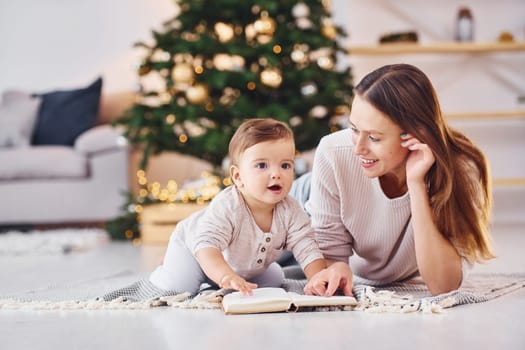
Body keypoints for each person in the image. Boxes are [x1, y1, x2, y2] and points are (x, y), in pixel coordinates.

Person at [303, 63, 495, 297]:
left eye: (374, 137)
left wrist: (417, 184)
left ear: (414, 134)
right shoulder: (334, 151)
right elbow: (330, 256)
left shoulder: (461, 170)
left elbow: (444, 286)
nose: (359, 148)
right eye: (353, 129)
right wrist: (335, 268)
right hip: (297, 204)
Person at [149, 118, 326, 296]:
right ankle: (167, 268)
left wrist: (317, 278)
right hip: (196, 252)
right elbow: (207, 245)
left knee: (274, 280)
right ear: (238, 176)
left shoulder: (290, 210)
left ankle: (221, 280)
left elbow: (306, 245)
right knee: (179, 288)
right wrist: (225, 275)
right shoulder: (229, 206)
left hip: (239, 265)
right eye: (262, 165)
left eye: (285, 165)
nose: (276, 174)